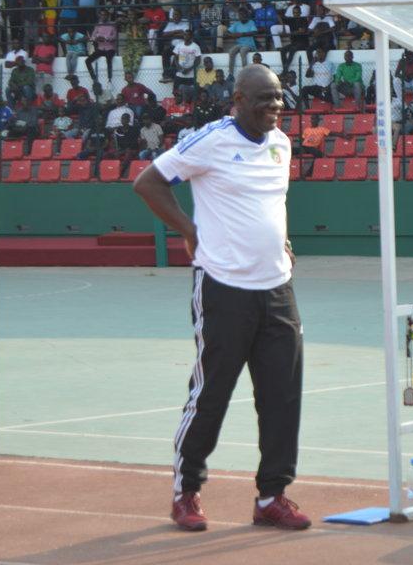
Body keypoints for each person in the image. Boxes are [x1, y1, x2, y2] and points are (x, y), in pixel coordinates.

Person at [132, 65, 309, 534]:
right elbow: (148, 182)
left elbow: (270, 203)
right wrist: (189, 230)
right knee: (211, 394)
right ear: (238, 99)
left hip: (277, 289)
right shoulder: (210, 140)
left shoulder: (281, 143)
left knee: (282, 397)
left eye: (278, 99)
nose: (274, 107)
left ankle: (272, 496)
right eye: (264, 99)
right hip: (224, 288)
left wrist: (280, 241)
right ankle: (186, 492)